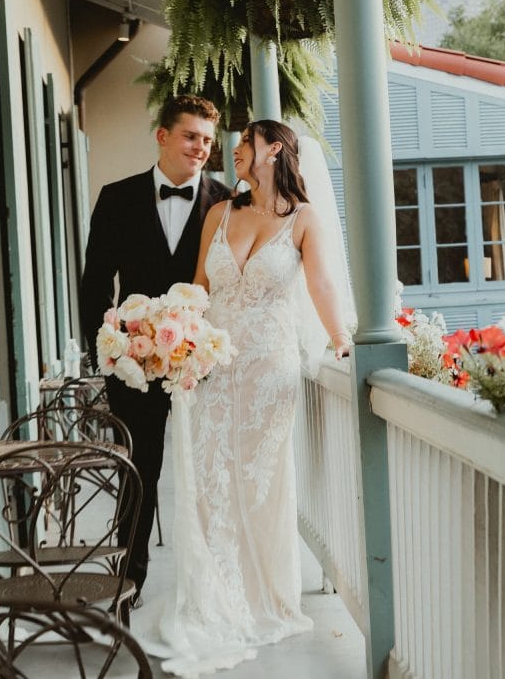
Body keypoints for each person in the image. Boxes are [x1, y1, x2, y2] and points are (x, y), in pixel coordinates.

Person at [138, 119, 355, 676]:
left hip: (269, 375)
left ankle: (265, 600)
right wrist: (170, 336)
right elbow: (198, 291)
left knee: (260, 485)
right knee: (211, 485)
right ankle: (215, 598)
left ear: (274, 150)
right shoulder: (220, 212)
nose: (232, 152)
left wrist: (342, 343)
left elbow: (322, 285)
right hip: (212, 373)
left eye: (243, 144)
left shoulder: (304, 219)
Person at [79, 95, 230, 605]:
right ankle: (130, 577)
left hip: (204, 366)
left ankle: (218, 583)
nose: (200, 148)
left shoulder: (227, 202)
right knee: (139, 470)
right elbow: (95, 282)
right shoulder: (117, 198)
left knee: (211, 471)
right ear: (162, 135)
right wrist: (107, 354)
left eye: (208, 140)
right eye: (191, 136)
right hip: (136, 364)